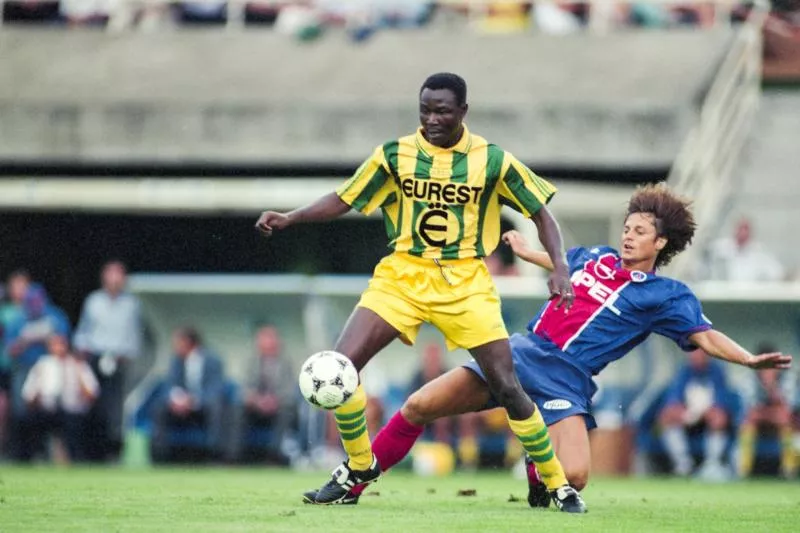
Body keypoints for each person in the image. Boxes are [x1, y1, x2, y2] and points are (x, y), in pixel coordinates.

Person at [303, 183, 793, 507]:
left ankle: (541, 480)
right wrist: (525, 250)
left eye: (640, 231)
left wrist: (748, 359)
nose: (628, 235)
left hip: (567, 377)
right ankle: (354, 480)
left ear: (660, 244)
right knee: (418, 404)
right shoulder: (597, 258)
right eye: (627, 227)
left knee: (575, 477)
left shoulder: (668, 296)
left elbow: (704, 334)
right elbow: (562, 262)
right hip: (519, 352)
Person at [256, 72, 584, 511]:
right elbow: (345, 197)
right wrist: (291, 218)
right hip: (403, 275)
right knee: (339, 367)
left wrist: (560, 265)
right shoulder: (394, 155)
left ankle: (556, 483)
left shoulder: (492, 160)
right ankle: (357, 466)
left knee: (507, 385)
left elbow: (541, 214)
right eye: (425, 110)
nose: (431, 119)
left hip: (465, 281)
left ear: (463, 111)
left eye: (442, 111)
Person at [74, 260, 143, 460]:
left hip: (119, 360)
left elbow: (135, 335)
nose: (114, 280)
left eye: (118, 275)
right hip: (95, 357)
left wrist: (128, 355)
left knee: (115, 409)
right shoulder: (93, 301)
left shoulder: (132, 304)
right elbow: (84, 330)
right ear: (104, 278)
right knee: (91, 405)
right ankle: (89, 451)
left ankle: (112, 452)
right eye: (111, 275)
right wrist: (82, 351)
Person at [20, 334, 99, 463]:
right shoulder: (42, 365)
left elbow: (92, 393)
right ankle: (33, 457)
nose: (59, 348)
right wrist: (37, 395)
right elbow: (28, 395)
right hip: (47, 409)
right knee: (27, 420)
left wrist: (78, 373)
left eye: (61, 344)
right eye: (55, 345)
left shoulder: (78, 364)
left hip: (72, 410)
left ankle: (76, 459)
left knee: (76, 424)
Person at [151, 327, 226, 462]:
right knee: (159, 407)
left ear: (189, 342)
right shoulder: (176, 361)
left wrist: (193, 400)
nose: (175, 346)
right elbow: (170, 385)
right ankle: (159, 455)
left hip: (202, 407)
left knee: (216, 407)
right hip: (179, 407)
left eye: (178, 342)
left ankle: (213, 455)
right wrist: (176, 400)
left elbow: (215, 388)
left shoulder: (213, 360)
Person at [658, 348, 735, 480]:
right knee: (666, 417)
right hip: (688, 416)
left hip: (708, 416)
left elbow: (721, 402)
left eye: (700, 352)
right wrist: (684, 413)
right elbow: (673, 401)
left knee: (719, 417)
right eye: (693, 351)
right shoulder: (683, 371)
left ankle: (712, 464)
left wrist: (704, 412)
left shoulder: (717, 371)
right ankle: (683, 465)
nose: (696, 355)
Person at [739, 342, 797, 479]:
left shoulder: (788, 378)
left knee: (786, 423)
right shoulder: (749, 380)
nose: (769, 370)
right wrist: (772, 414)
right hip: (759, 424)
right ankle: (743, 471)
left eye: (772, 365)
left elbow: (787, 412)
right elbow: (751, 414)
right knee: (747, 425)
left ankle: (789, 471)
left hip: (782, 424)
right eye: (765, 365)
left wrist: (771, 386)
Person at [241, 326, 295, 463]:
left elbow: (289, 390)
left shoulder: (286, 363)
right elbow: (245, 387)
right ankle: (234, 455)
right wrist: (257, 400)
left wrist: (274, 401)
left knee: (287, 411)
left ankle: (274, 455)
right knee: (237, 408)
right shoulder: (251, 362)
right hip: (255, 407)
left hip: (278, 406)